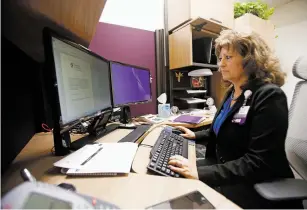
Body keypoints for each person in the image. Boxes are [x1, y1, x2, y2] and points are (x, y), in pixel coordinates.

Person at [168, 30, 302, 209]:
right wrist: (194, 135)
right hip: (226, 168)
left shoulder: (269, 96)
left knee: (181, 190)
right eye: (220, 58)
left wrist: (199, 172)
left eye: (228, 57)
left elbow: (259, 162)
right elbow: (222, 130)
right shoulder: (232, 92)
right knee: (172, 175)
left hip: (254, 184)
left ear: (249, 61)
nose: (220, 65)